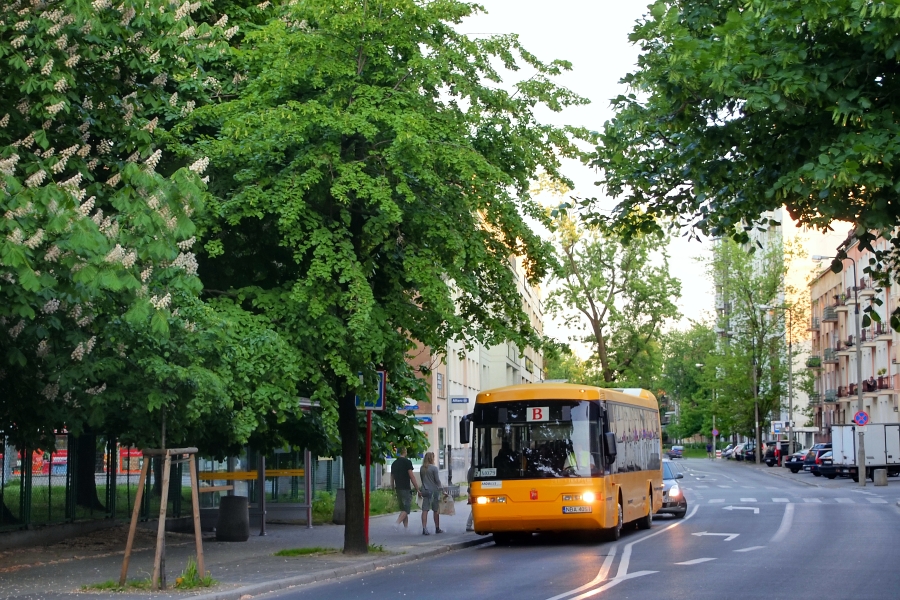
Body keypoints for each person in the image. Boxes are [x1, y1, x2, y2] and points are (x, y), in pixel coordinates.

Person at [390, 447, 420, 532]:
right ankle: (396, 523)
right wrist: (417, 488)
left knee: (403, 509)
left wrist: (392, 488)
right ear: (405, 452)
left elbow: (392, 477)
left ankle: (406, 528)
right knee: (407, 509)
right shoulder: (407, 462)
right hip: (406, 488)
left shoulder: (394, 463)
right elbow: (412, 476)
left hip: (398, 488)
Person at [419, 451, 445, 535]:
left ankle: (424, 528)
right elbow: (437, 481)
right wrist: (442, 490)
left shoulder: (422, 468)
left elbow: (422, 480)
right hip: (434, 491)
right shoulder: (434, 468)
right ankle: (437, 528)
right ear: (431, 458)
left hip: (425, 490)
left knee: (425, 510)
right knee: (435, 510)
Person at [466, 463, 475, 532]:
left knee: (474, 508)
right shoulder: (474, 470)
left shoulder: (470, 470)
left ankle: (469, 525)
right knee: (474, 508)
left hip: (471, 489)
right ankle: (468, 525)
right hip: (473, 490)